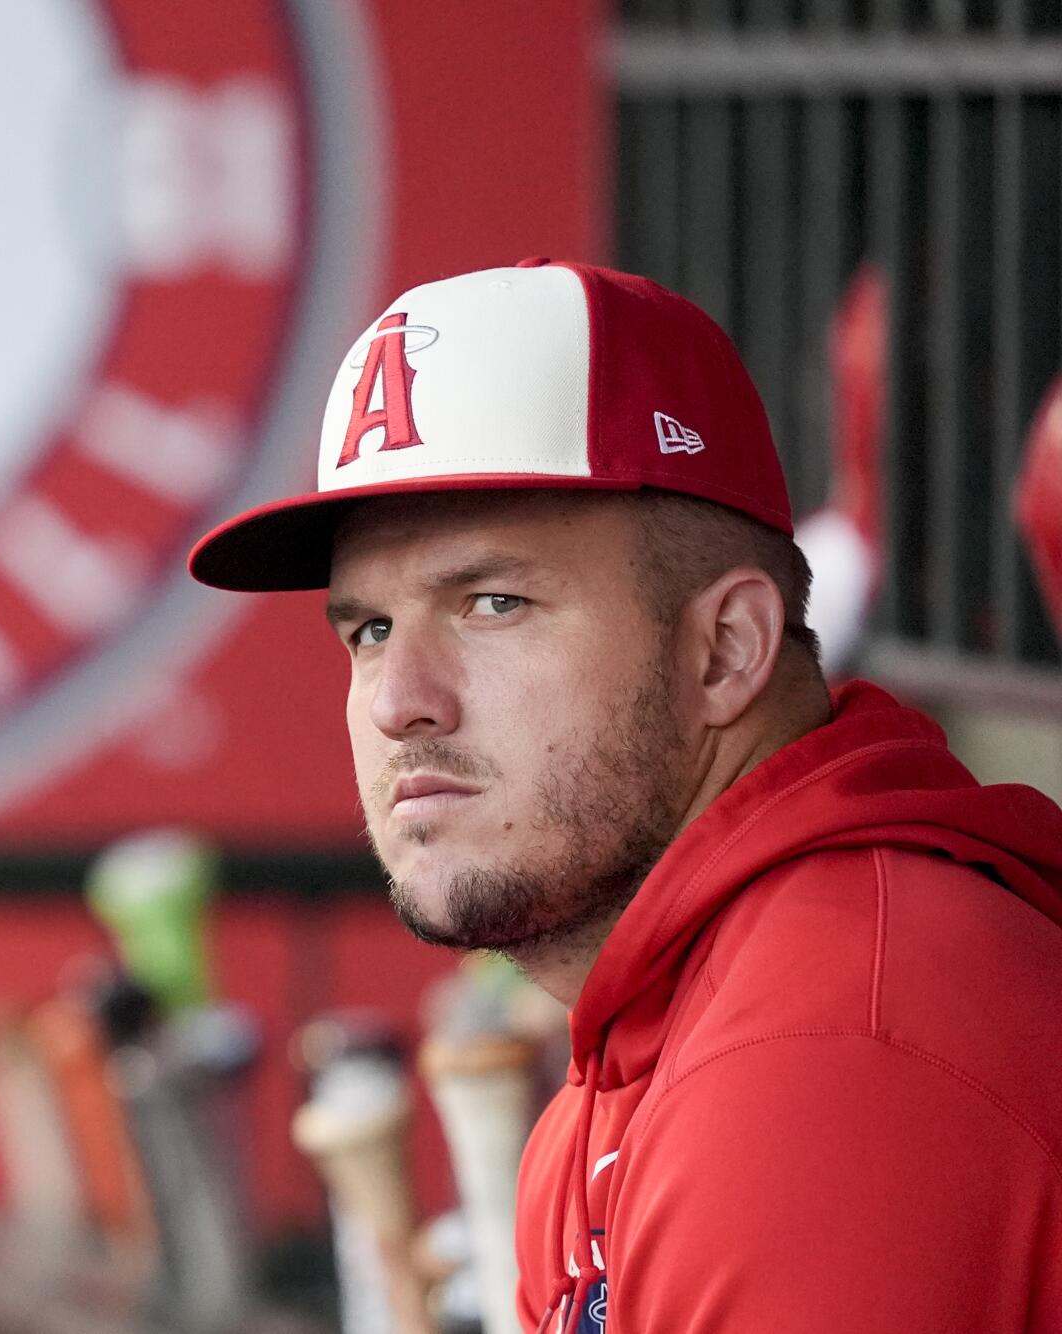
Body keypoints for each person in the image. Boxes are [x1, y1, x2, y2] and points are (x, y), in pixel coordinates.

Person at [188, 259, 1062, 1332]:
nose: (396, 702)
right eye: (367, 628)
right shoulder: (642, 1037)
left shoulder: (823, 1061)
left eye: (491, 602)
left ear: (724, 647)